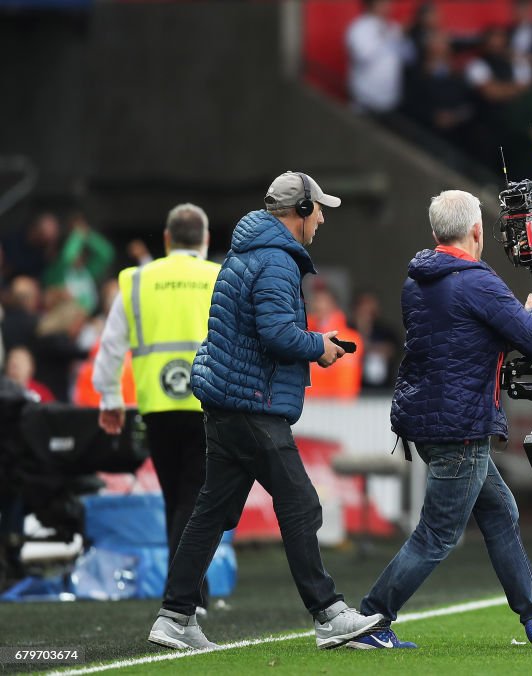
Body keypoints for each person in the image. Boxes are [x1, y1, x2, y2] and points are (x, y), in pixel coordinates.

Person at [147, 172, 384, 651]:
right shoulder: (276, 260)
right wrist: (319, 344)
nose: (320, 218)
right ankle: (327, 613)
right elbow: (276, 334)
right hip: (251, 405)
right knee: (300, 503)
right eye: (317, 208)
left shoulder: (249, 251)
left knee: (210, 511)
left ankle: (174, 616)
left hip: (228, 402)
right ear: (298, 212)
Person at [353, 190, 532, 649]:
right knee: (437, 535)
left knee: (500, 512)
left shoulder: (417, 279)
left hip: (431, 417)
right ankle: (370, 618)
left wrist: (516, 318)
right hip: (462, 425)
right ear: (477, 231)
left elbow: (462, 336)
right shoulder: (477, 281)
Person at [92, 203, 220, 611]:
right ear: (205, 240)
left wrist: (110, 398)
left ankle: (190, 591)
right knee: (196, 498)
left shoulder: (136, 280)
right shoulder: (219, 277)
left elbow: (111, 346)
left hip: (156, 405)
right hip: (209, 402)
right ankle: (184, 594)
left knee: (175, 498)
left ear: (166, 239)